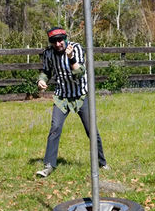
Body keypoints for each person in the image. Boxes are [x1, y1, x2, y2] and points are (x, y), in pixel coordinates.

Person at [35, 27, 108, 177]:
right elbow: (46, 71)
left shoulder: (76, 48)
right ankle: (48, 165)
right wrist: (41, 80)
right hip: (62, 96)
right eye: (54, 42)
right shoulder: (48, 53)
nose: (58, 44)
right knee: (55, 128)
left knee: (91, 130)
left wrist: (71, 58)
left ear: (65, 39)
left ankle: (102, 163)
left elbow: (79, 73)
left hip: (80, 95)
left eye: (60, 40)